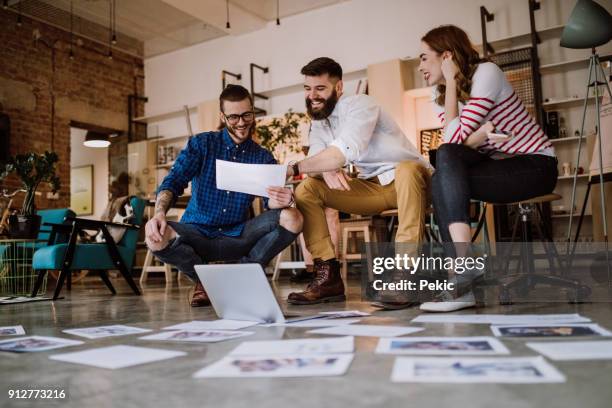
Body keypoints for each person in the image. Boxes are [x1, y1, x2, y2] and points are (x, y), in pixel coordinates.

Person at [418, 25, 558, 312]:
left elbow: (453, 140)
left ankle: (461, 274)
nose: (420, 66)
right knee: (441, 175)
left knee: (446, 161)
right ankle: (463, 280)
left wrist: (454, 88)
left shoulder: (486, 73)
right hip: (499, 168)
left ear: (446, 56)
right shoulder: (441, 95)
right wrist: (477, 133)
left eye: (423, 57)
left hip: (536, 166)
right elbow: (453, 144)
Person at [286, 57, 431, 305]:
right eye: (308, 89)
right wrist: (324, 169)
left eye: (320, 88)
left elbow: (344, 150)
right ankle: (328, 275)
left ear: (339, 87)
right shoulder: (320, 122)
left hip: (412, 181)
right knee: (307, 189)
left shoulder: (361, 104)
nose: (312, 96)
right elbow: (316, 162)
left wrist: (296, 167)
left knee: (407, 169)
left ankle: (406, 275)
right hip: (373, 187)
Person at [145, 85, 303, 307]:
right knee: (155, 237)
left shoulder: (263, 157)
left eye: (247, 114)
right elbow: (174, 180)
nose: (241, 122)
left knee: (293, 217)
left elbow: (270, 203)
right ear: (223, 116)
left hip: (237, 235)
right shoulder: (202, 144)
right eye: (234, 116)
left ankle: (243, 273)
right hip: (196, 231)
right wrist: (159, 213)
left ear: (253, 112)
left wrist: (282, 200)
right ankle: (205, 281)